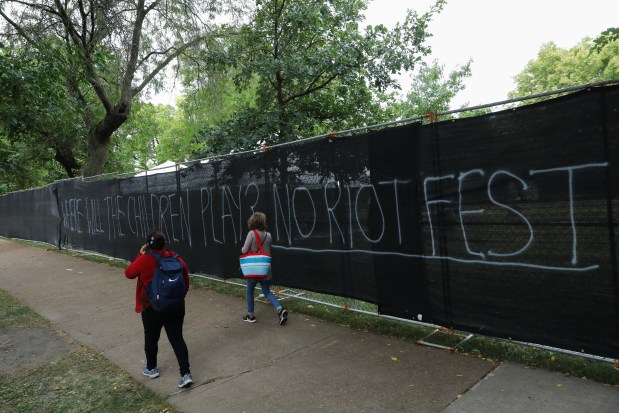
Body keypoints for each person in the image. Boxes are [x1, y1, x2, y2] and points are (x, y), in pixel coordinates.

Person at [124, 230, 193, 388]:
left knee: (151, 338)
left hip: (152, 307)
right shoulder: (176, 258)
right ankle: (185, 373)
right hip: (176, 306)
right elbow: (185, 281)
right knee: (177, 338)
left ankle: (151, 368)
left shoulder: (145, 259)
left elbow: (129, 273)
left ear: (148, 245)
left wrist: (140, 255)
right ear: (164, 243)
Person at [241, 211, 288, 325]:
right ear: (263, 222)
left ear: (252, 221)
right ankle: (280, 309)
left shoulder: (251, 234)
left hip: (253, 269)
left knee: (249, 292)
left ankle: (251, 316)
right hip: (265, 269)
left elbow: (244, 250)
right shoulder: (268, 235)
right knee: (267, 291)